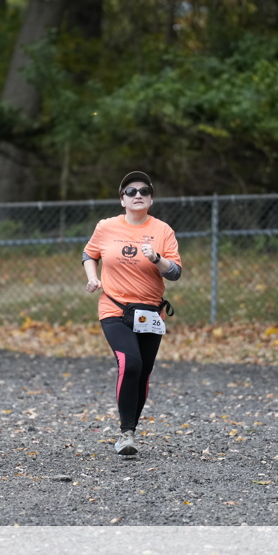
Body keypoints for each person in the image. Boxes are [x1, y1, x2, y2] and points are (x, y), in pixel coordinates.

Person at [83, 171, 183, 456]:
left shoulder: (163, 231)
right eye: (130, 191)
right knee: (130, 364)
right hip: (114, 307)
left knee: (143, 372)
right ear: (122, 200)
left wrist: (157, 259)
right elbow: (89, 254)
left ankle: (131, 431)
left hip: (150, 313)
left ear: (151, 199)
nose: (137, 195)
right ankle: (125, 434)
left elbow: (175, 272)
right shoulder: (106, 227)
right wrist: (92, 277)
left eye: (144, 191)